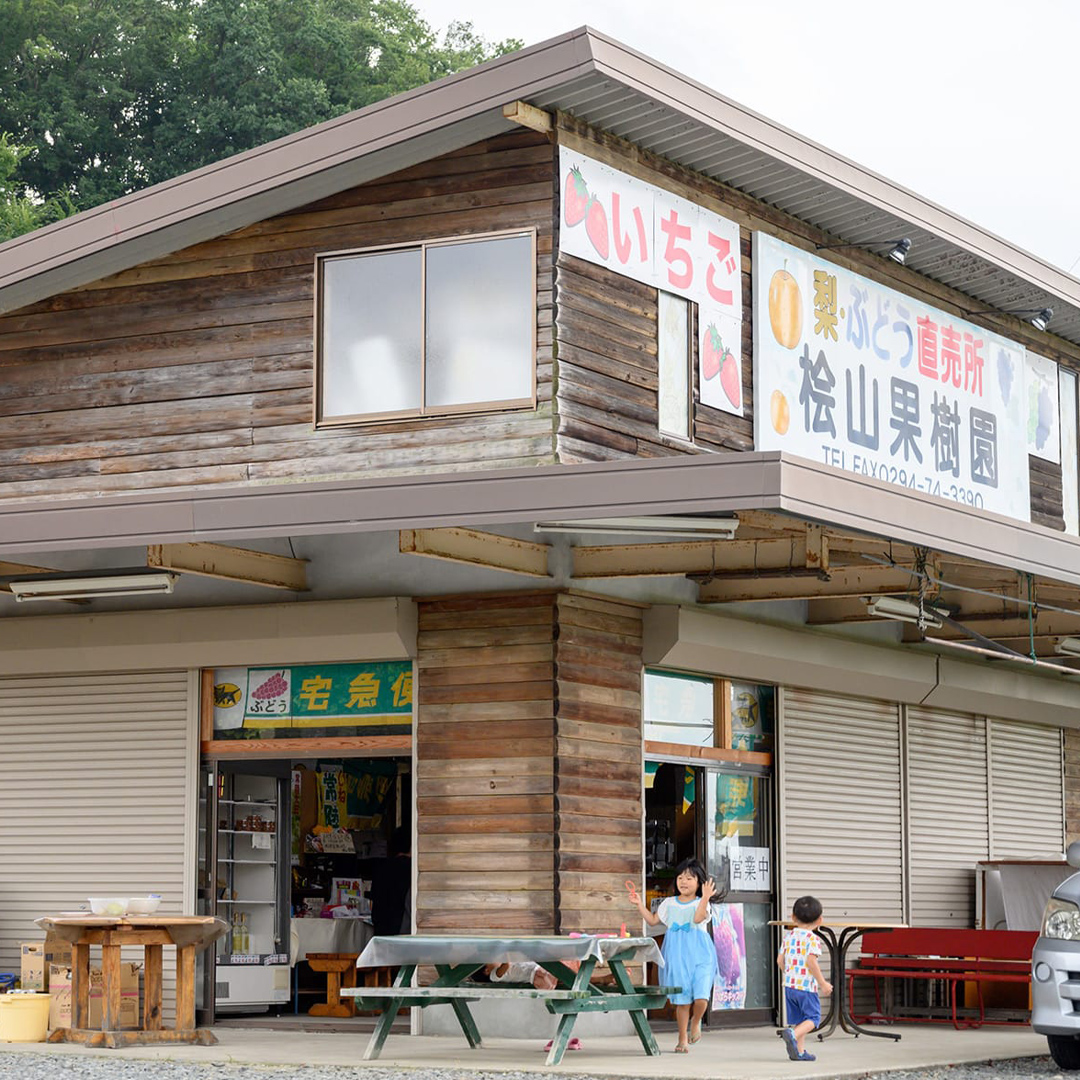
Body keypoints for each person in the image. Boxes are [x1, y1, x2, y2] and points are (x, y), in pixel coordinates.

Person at [628, 857, 718, 1053]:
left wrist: (705, 898)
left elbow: (697, 918)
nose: (683, 882)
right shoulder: (668, 903)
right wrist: (639, 904)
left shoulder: (701, 903)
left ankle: (696, 1021)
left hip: (701, 954)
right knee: (682, 1001)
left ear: (699, 882)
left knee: (702, 997)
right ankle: (682, 1039)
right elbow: (652, 921)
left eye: (689, 878)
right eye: (680, 878)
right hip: (676, 955)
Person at [777, 895, 832, 1063]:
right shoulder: (813, 939)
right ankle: (792, 1034)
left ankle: (799, 1052)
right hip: (806, 987)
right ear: (820, 920)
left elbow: (780, 960)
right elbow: (811, 962)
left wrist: (789, 975)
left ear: (793, 917)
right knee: (813, 1018)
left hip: (789, 986)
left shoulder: (788, 937)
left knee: (800, 1020)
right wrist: (822, 983)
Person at [370, 825, 411, 936]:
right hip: (403, 931)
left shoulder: (382, 868)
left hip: (382, 931)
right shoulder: (413, 869)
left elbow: (374, 898)